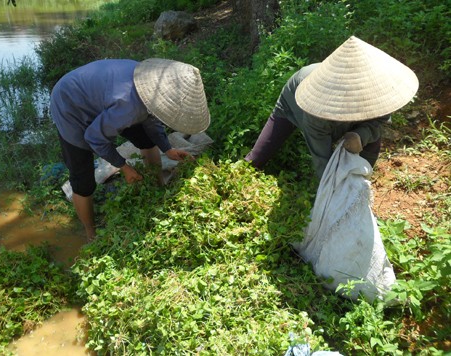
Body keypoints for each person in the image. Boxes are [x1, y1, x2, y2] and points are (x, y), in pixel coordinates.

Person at [50, 58, 210, 240]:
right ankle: (91, 234)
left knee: (146, 138)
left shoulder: (150, 87)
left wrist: (168, 149)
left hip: (107, 98)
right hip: (69, 103)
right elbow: (93, 138)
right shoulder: (128, 105)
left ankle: (157, 188)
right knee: (83, 178)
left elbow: (152, 120)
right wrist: (124, 168)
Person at [245, 36, 419, 179]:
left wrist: (360, 135)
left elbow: (379, 123)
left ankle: (361, 182)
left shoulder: (377, 91)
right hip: (293, 103)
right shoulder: (316, 109)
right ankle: (242, 175)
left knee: (371, 144)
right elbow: (323, 162)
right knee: (256, 159)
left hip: (338, 115)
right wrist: (333, 193)